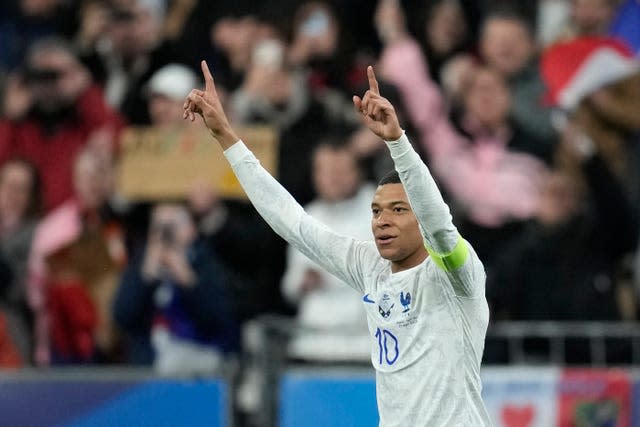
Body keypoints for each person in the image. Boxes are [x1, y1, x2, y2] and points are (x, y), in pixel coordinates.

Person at [184, 61, 491, 426]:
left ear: (421, 218)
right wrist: (226, 137)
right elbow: (292, 221)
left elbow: (439, 224)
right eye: (376, 211)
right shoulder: (370, 268)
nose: (382, 220)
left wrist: (397, 142)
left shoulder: (457, 273)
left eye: (397, 210)